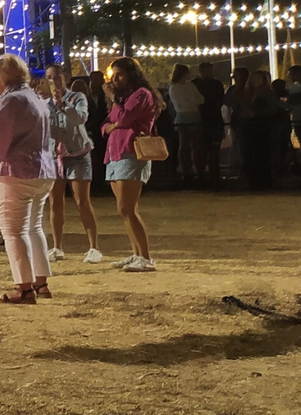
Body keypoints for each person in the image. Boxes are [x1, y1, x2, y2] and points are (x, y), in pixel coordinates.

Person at [0, 55, 56, 303]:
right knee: (34, 228)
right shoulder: (33, 96)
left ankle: (24, 288)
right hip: (42, 171)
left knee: (13, 231)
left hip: (17, 171)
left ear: (5, 77)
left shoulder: (13, 100)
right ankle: (40, 283)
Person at [102, 57, 162, 271]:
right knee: (126, 210)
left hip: (131, 153)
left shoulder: (141, 95)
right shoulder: (123, 97)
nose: (115, 79)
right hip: (114, 154)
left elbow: (125, 119)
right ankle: (136, 253)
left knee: (126, 208)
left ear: (131, 75)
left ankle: (145, 258)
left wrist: (115, 104)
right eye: (114, 75)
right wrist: (112, 125)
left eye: (120, 75)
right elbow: (107, 124)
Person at [45, 71, 102, 263]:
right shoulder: (46, 104)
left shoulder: (78, 97)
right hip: (56, 156)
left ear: (65, 79)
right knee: (55, 202)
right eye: (49, 77)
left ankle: (94, 247)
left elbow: (80, 119)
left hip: (78, 154)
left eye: (57, 76)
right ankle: (57, 247)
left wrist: (63, 105)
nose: (53, 81)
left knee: (82, 201)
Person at [240, 70, 282, 191]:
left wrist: (256, 114)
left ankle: (264, 181)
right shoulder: (247, 93)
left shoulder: (268, 93)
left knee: (263, 154)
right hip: (249, 126)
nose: (255, 81)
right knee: (250, 153)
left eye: (258, 78)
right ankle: (253, 181)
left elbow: (273, 109)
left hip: (263, 126)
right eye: (253, 78)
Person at [166, 64, 206, 187]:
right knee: (184, 146)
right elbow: (182, 104)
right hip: (184, 118)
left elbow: (201, 99)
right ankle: (186, 171)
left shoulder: (190, 85)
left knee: (196, 146)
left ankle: (199, 171)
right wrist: (191, 101)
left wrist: (190, 101)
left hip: (193, 116)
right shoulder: (174, 88)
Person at [193, 63, 226, 187]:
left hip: (213, 119)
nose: (209, 73)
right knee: (200, 150)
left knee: (213, 150)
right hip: (201, 119)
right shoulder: (195, 84)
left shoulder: (216, 83)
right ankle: (201, 175)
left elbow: (220, 100)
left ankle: (214, 175)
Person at [287, 65, 301, 173]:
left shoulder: (294, 89)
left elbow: (292, 102)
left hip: (300, 119)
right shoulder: (292, 88)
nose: (290, 77)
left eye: (291, 74)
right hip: (298, 120)